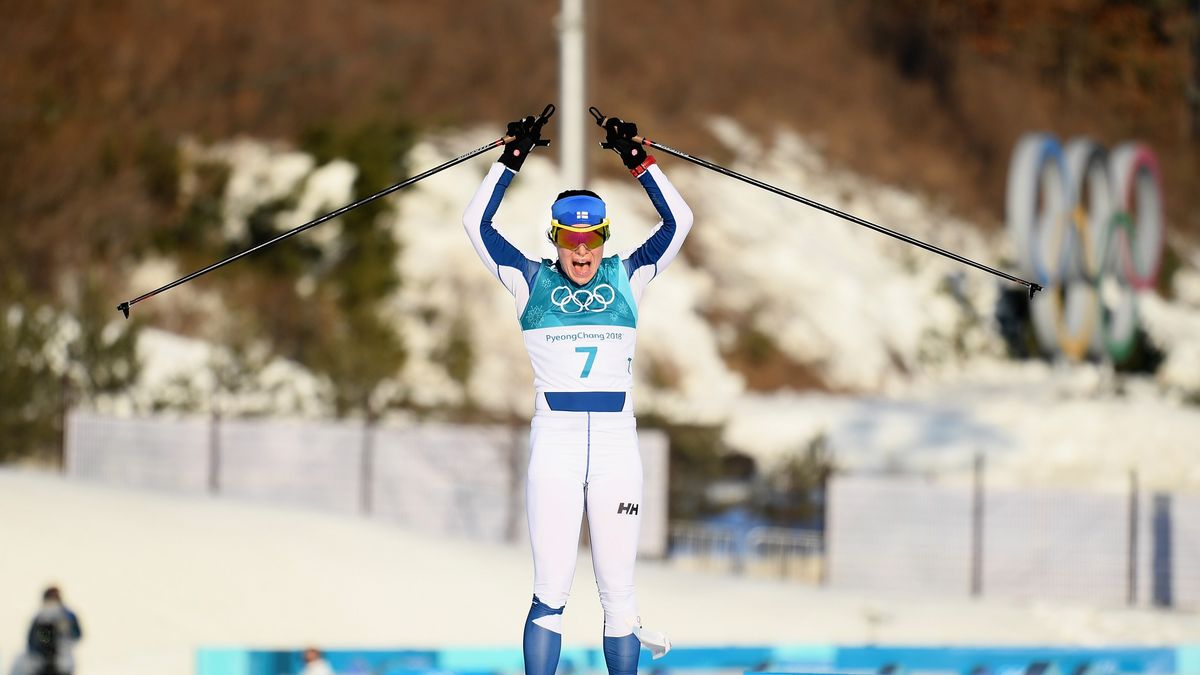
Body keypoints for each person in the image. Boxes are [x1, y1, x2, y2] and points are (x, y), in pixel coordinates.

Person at [462, 111, 692, 675]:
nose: (581, 255)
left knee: (619, 597)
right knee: (551, 591)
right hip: (557, 446)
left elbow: (679, 220)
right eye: (570, 242)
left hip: (616, 447)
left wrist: (638, 160)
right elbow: (476, 223)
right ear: (556, 241)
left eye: (590, 242)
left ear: (604, 240)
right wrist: (510, 159)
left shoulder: (630, 275)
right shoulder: (529, 280)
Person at [15, 587, 83, 675]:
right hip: (41, 663)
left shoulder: (67, 616)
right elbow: (33, 641)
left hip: (62, 661)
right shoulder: (40, 618)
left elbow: (77, 635)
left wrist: (66, 631)